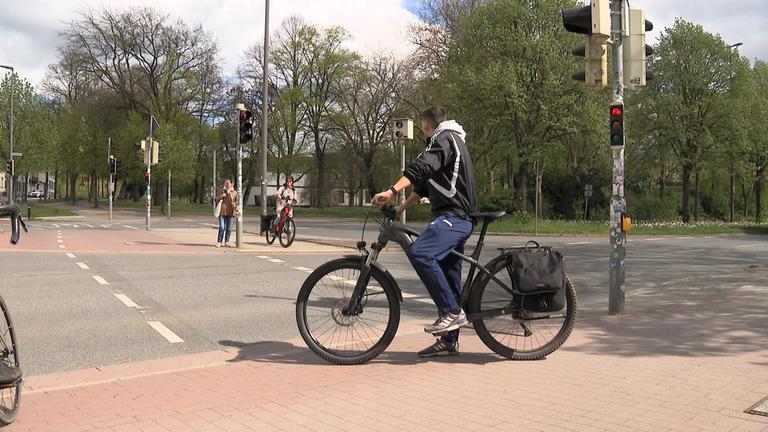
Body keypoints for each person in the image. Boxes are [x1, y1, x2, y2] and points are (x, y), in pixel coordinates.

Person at [371, 106, 478, 358]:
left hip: (456, 217)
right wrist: (400, 207)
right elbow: (425, 184)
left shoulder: (444, 139)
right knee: (450, 275)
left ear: (426, 125)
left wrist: (390, 190)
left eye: (422, 127)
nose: (422, 131)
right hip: (455, 216)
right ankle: (450, 341)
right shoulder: (449, 141)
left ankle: (451, 313)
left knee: (420, 252)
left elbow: (421, 166)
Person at [215, 179, 237, 247]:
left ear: (231, 184)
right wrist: (221, 196)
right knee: (222, 227)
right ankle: (219, 241)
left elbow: (237, 202)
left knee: (229, 228)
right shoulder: (221, 191)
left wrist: (234, 204)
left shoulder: (234, 192)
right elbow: (216, 200)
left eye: (228, 183)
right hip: (222, 211)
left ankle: (226, 241)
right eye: (225, 183)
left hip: (231, 212)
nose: (227, 184)